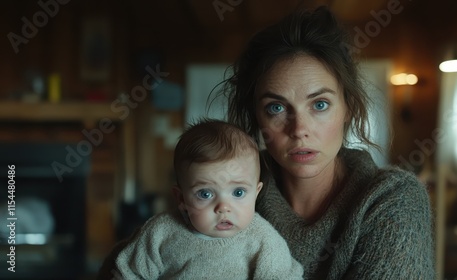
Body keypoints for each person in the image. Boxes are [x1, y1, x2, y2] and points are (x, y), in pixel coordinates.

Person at [220, 5, 435, 279]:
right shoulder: (224, 197)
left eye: (319, 104)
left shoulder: (390, 200)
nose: (299, 129)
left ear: (348, 108)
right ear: (256, 117)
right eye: (276, 108)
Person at [102, 119, 303, 279]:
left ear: (256, 193)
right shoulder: (161, 232)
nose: (223, 207)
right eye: (205, 194)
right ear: (181, 198)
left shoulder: (263, 241)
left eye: (238, 193)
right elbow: (128, 273)